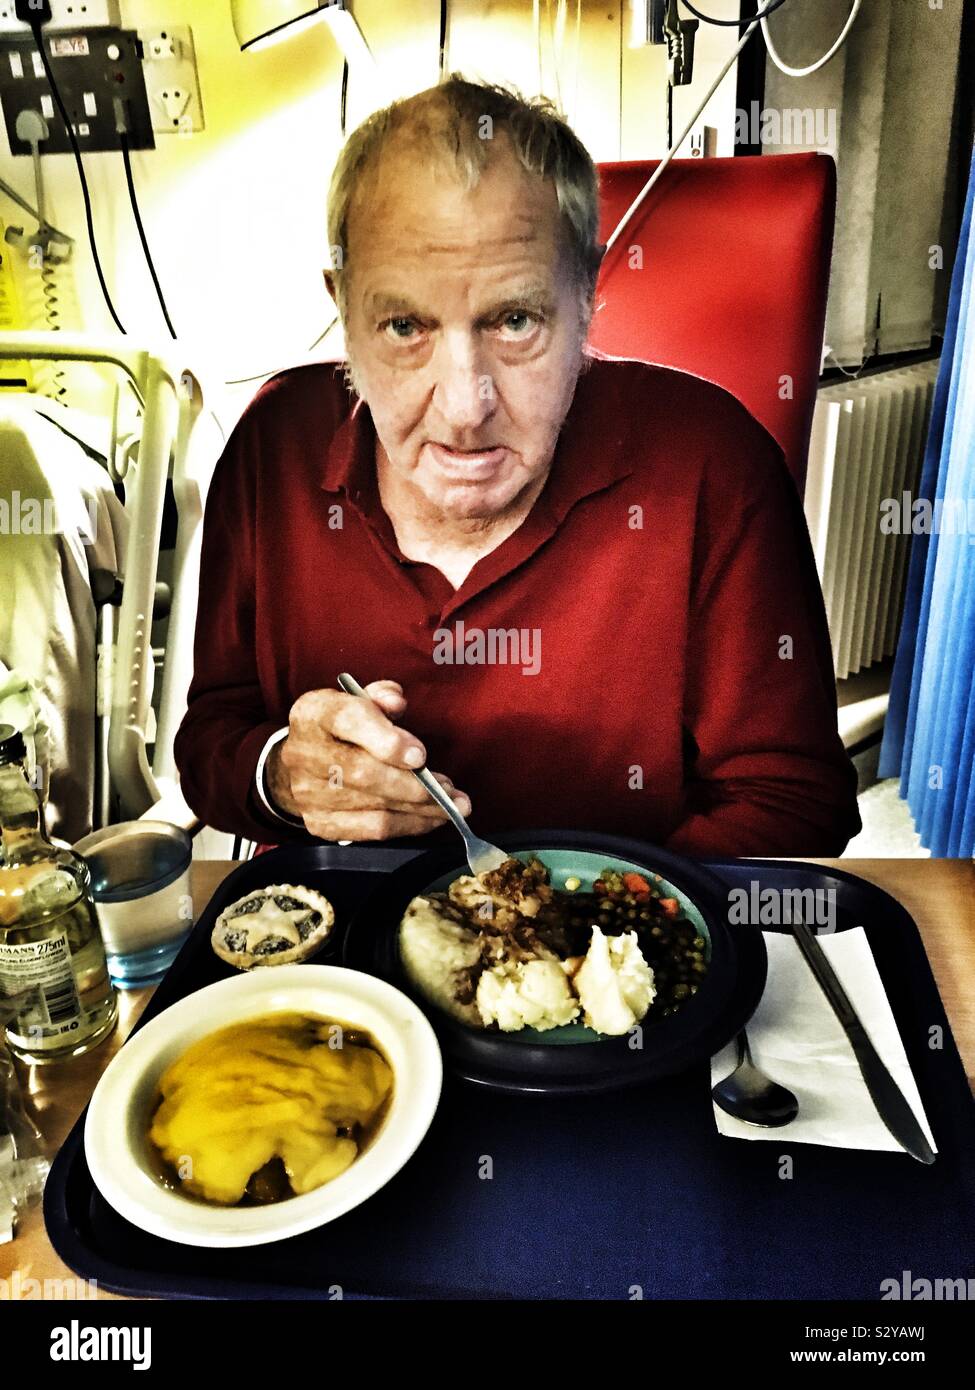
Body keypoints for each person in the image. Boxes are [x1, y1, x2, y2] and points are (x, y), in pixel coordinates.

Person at [173, 75, 860, 857]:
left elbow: (794, 802)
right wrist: (283, 778)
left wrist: (564, 942)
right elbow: (212, 741)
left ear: (587, 294)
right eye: (404, 325)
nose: (466, 408)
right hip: (339, 960)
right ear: (343, 307)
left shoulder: (713, 463)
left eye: (515, 320)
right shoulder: (271, 449)